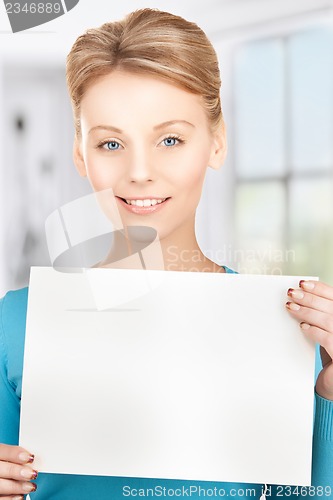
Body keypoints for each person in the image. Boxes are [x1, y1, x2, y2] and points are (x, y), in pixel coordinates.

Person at [0, 7, 332, 499]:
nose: (139, 171)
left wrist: (327, 398)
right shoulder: (17, 323)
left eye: (170, 139)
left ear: (216, 143)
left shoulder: (285, 327)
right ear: (79, 153)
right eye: (111, 143)